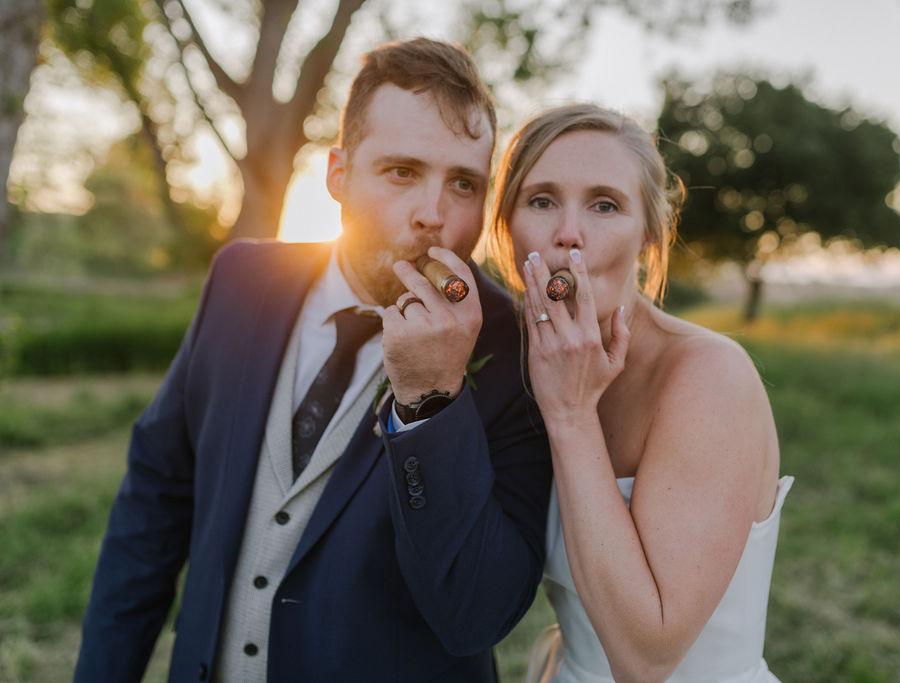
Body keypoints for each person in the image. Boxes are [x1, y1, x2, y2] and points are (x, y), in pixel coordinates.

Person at [74, 38, 552, 682]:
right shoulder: (241, 280)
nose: (433, 215)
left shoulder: (518, 350)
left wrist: (434, 401)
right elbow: (155, 500)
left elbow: (477, 616)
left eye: (463, 183)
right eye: (402, 172)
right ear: (337, 175)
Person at [489, 103, 793, 682]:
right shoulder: (528, 362)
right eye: (542, 201)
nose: (568, 234)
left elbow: (645, 658)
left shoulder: (710, 376)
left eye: (604, 205)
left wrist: (571, 414)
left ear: (649, 233)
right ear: (507, 226)